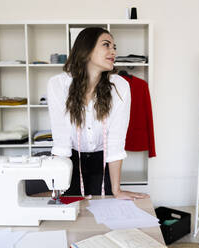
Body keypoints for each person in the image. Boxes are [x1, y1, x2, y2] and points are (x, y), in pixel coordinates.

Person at [31, 27, 149, 200]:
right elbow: (61, 141)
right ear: (86, 50)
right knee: (70, 214)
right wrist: (57, 188)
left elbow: (116, 141)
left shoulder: (120, 86)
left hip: (104, 161)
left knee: (105, 214)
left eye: (114, 47)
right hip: (70, 161)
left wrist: (117, 190)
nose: (113, 51)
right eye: (106, 45)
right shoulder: (58, 85)